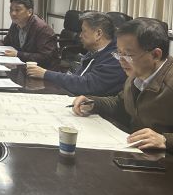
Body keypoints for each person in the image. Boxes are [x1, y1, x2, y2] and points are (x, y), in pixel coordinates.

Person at [72, 18, 173, 152]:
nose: (121, 60)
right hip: (137, 152)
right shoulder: (135, 75)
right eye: (119, 53)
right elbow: (120, 104)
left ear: (155, 55)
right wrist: (93, 103)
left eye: (128, 55)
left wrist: (165, 140)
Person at [26, 12, 126, 95]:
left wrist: (46, 74)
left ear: (98, 34)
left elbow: (86, 85)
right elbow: (76, 77)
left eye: (83, 31)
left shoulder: (115, 59)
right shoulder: (94, 51)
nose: (80, 35)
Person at [1, 0, 59, 69]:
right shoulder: (15, 24)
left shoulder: (42, 28)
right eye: (11, 10)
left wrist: (18, 54)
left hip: (41, 70)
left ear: (29, 12)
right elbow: (7, 43)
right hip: (21, 66)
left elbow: (45, 57)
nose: (13, 13)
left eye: (17, 10)